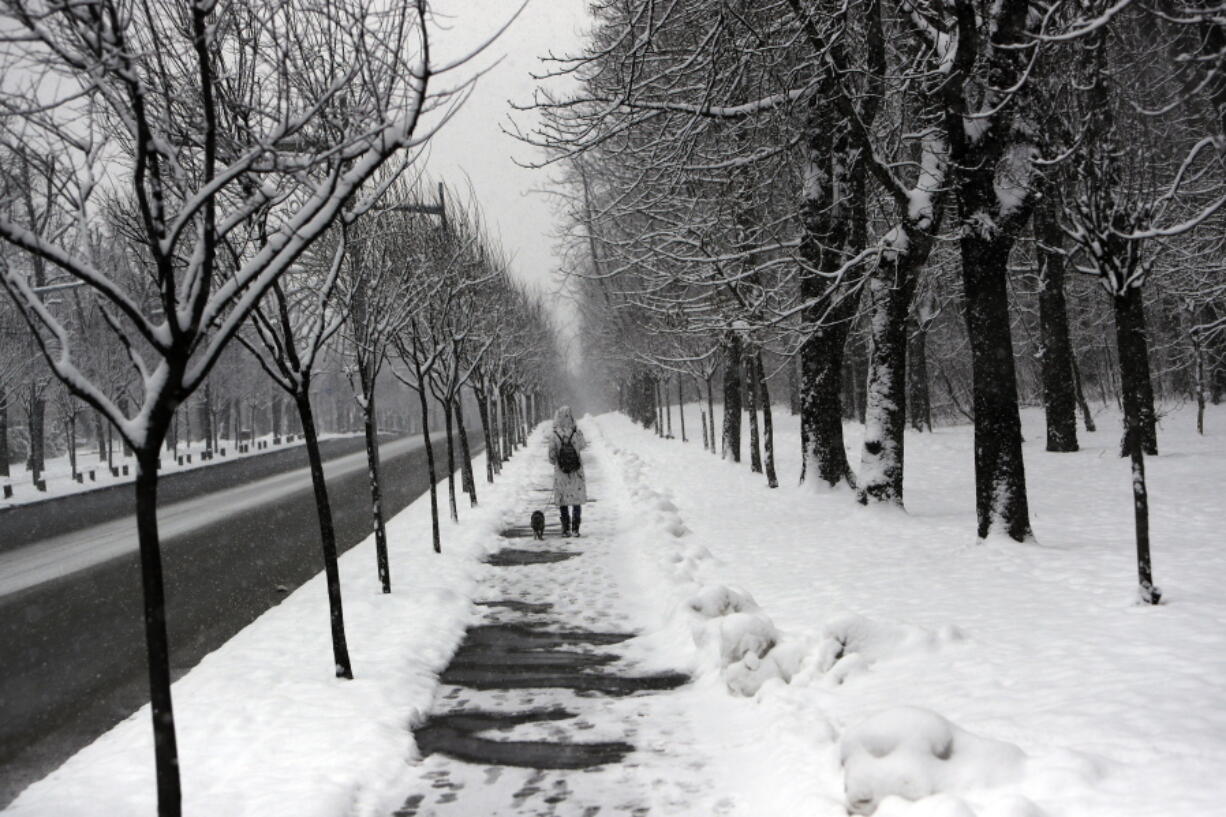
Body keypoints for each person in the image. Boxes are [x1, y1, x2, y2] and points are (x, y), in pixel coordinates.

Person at [547, 405, 587, 536]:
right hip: (576, 471)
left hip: (561, 472)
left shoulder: (554, 435)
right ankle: (576, 528)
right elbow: (583, 446)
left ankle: (565, 529)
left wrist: (559, 461)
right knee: (576, 500)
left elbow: (551, 457)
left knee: (563, 500)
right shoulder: (575, 433)